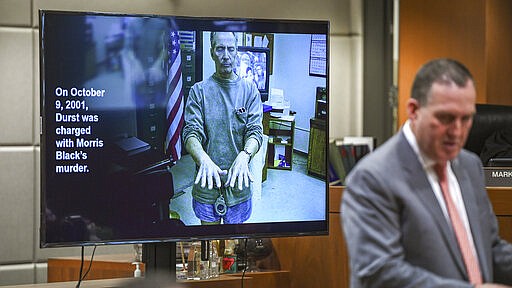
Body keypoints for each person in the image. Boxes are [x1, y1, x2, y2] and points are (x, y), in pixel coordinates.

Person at [342, 58, 512, 287]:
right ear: (414, 110)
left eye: (466, 118)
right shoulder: (372, 178)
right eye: (446, 118)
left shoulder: (470, 166)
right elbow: (379, 273)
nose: (458, 131)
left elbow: (487, 248)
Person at [182, 32, 263, 225]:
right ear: (212, 52)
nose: (225, 55)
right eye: (220, 48)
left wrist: (245, 155)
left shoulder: (249, 90)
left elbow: (255, 132)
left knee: (233, 248)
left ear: (236, 52)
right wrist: (203, 159)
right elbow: (191, 133)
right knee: (208, 246)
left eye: (231, 49)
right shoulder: (198, 91)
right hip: (207, 185)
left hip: (239, 187)